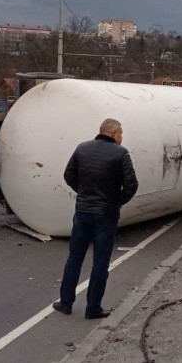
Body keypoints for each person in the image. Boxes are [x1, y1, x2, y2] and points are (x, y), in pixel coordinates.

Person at [53, 118, 139, 319]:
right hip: (106, 215)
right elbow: (132, 184)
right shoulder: (121, 153)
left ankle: (65, 303)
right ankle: (93, 308)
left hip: (82, 212)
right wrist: (117, 201)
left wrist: (83, 192)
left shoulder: (82, 148)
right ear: (113, 133)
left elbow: (68, 175)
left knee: (75, 258)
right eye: (121, 133)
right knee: (100, 262)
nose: (122, 137)